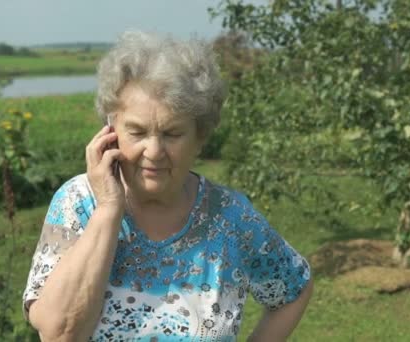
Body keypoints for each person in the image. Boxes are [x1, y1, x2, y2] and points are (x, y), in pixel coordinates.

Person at [22, 30, 313, 342]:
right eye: (137, 131)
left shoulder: (230, 217)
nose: (154, 151)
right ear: (110, 131)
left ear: (200, 137)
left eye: (172, 134)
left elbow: (294, 287)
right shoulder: (78, 203)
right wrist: (108, 210)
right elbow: (58, 333)